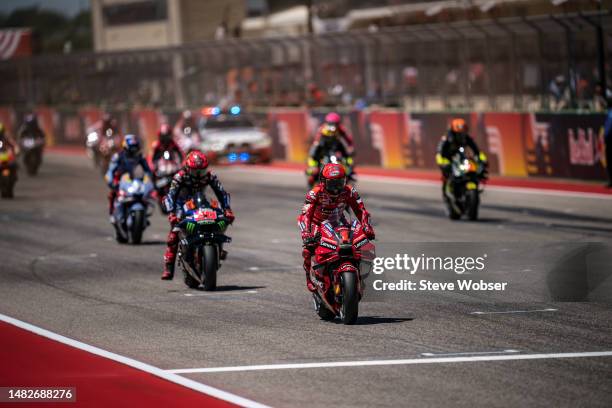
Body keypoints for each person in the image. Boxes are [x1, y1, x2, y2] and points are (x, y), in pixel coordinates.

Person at [297, 163, 375, 292]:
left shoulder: (349, 191)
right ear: (323, 181)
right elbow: (306, 214)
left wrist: (367, 226)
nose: (336, 188)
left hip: (338, 220)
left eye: (339, 182)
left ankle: (359, 274)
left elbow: (361, 211)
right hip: (316, 223)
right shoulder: (314, 193)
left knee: (357, 243)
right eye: (332, 184)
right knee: (308, 249)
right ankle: (309, 279)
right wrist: (306, 232)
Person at [161, 151, 234, 280]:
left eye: (202, 170)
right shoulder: (179, 176)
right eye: (196, 172)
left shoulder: (210, 176)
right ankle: (169, 265)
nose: (199, 175)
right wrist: (172, 213)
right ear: (188, 168)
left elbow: (222, 193)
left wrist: (227, 209)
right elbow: (170, 195)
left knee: (218, 218)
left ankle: (219, 247)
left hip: (200, 202)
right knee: (174, 234)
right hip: (181, 205)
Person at [105, 134, 152, 219]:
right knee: (113, 194)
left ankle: (143, 215)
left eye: (135, 147)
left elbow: (148, 171)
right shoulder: (118, 156)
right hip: (120, 181)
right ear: (126, 146)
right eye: (131, 147)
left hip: (135, 181)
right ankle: (113, 215)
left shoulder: (140, 157)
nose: (133, 150)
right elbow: (110, 171)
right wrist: (111, 181)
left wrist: (149, 181)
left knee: (145, 197)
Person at [436, 118, 487, 192]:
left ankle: (473, 182)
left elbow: (476, 149)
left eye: (462, 133)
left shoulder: (466, 138)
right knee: (447, 169)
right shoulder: (446, 138)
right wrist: (442, 161)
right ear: (453, 132)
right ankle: (449, 185)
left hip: (460, 157)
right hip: (447, 157)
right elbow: (439, 151)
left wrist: (481, 158)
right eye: (459, 134)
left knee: (476, 166)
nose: (461, 136)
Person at [306, 116, 354, 185]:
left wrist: (350, 149)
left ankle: (348, 175)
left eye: (334, 123)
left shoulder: (340, 131)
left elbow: (347, 143)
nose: (331, 136)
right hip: (322, 153)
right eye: (330, 123)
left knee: (348, 162)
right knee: (313, 169)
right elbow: (315, 146)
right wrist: (314, 159)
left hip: (334, 152)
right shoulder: (321, 131)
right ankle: (312, 178)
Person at [604, 106, 612, 187]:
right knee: (609, 160)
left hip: (610, 139)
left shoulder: (610, 113)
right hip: (608, 140)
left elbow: (608, 128)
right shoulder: (609, 112)